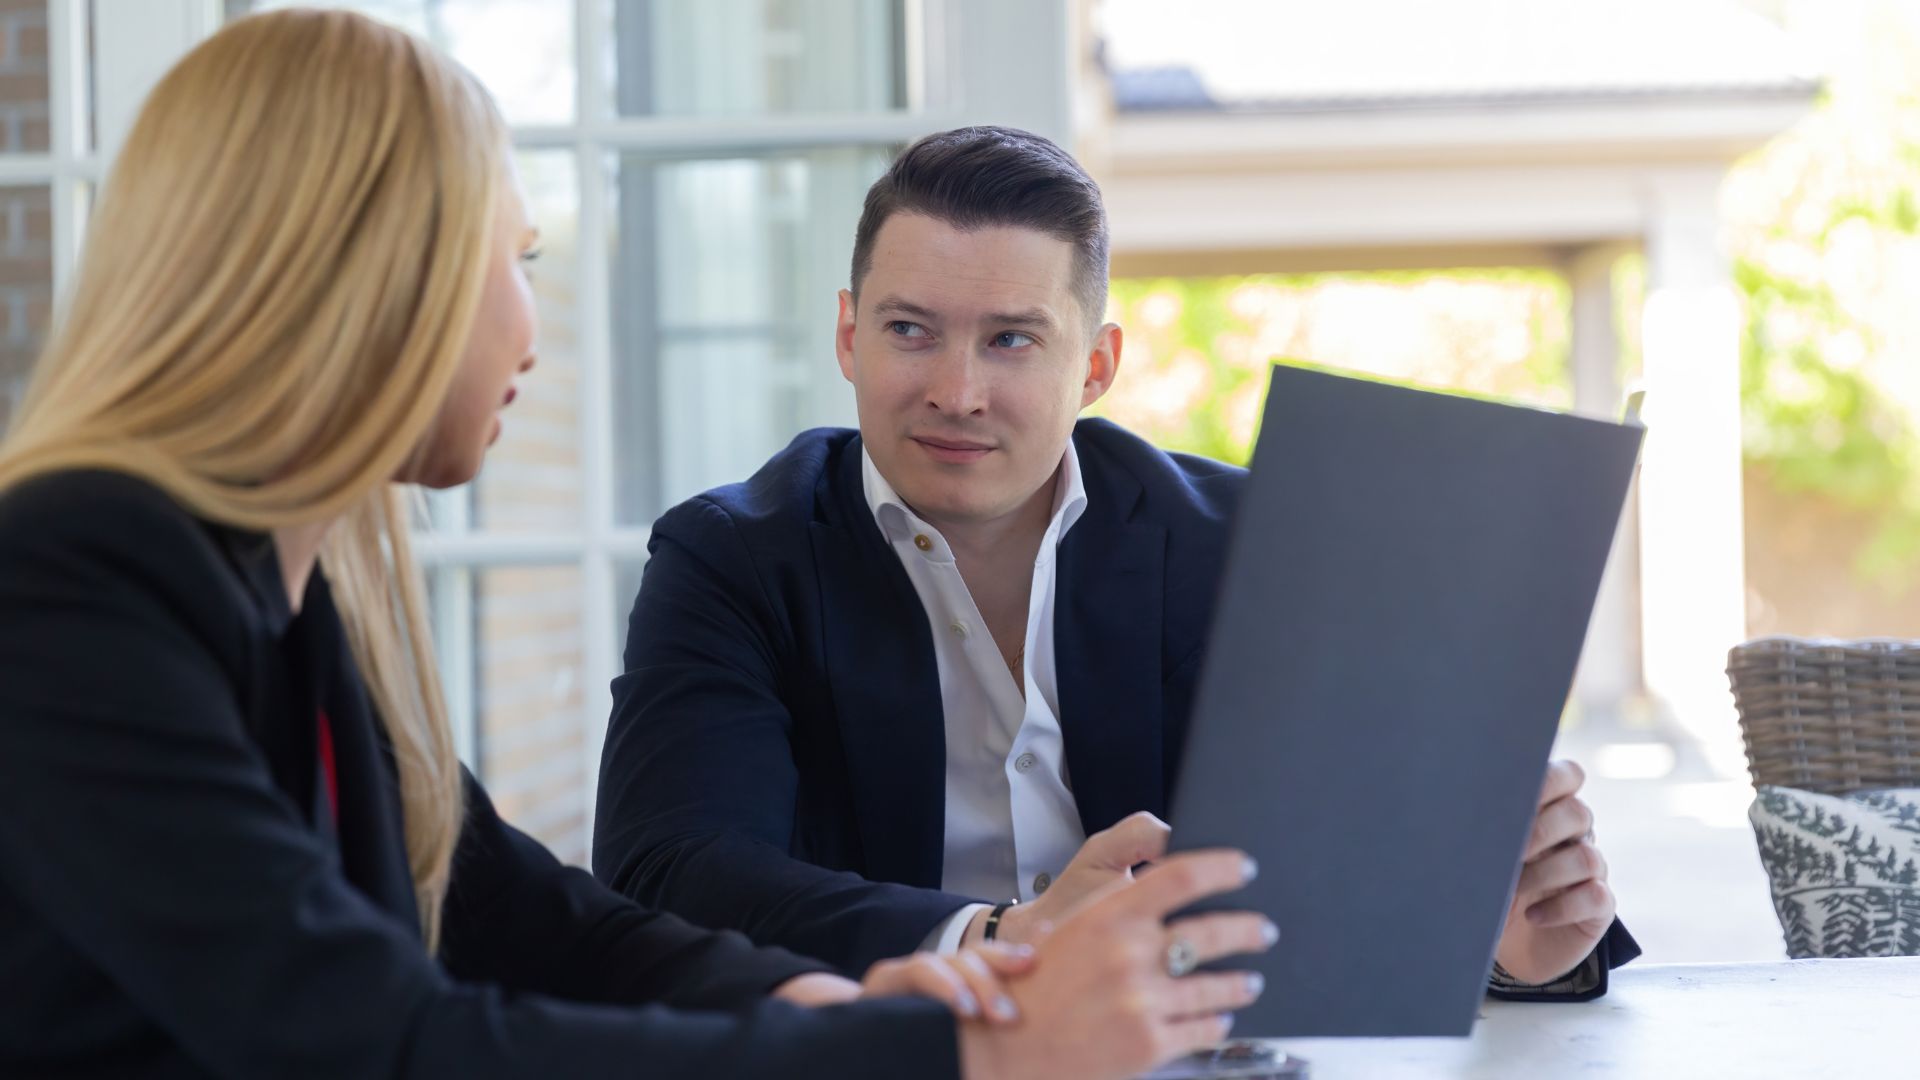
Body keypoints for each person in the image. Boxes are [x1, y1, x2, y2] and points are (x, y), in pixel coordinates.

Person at [0, 15, 1273, 1079]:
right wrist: (960, 1053)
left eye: (1009, 340)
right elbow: (369, 1039)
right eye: (516, 262)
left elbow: (524, 915)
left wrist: (830, 1009)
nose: (532, 333)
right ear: (363, 282)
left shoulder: (295, 597)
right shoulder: (71, 580)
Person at [595, 125, 1641, 998]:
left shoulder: (1256, 547)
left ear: (1095, 365)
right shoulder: (732, 557)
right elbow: (669, 874)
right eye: (910, 330)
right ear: (848, 337)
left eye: (1012, 340)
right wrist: (1004, 937)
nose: (955, 391)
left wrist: (1513, 954)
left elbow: (1393, 864)